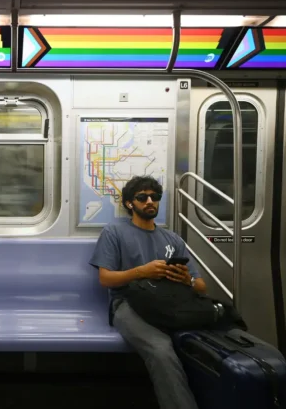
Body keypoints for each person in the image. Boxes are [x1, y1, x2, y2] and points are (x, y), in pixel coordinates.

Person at [89, 175, 204, 409]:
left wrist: (187, 280)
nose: (150, 201)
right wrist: (141, 272)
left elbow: (201, 286)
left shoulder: (172, 238)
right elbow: (106, 279)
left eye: (155, 197)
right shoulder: (114, 232)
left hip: (170, 303)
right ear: (130, 203)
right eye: (142, 197)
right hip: (128, 304)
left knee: (207, 343)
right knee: (160, 349)